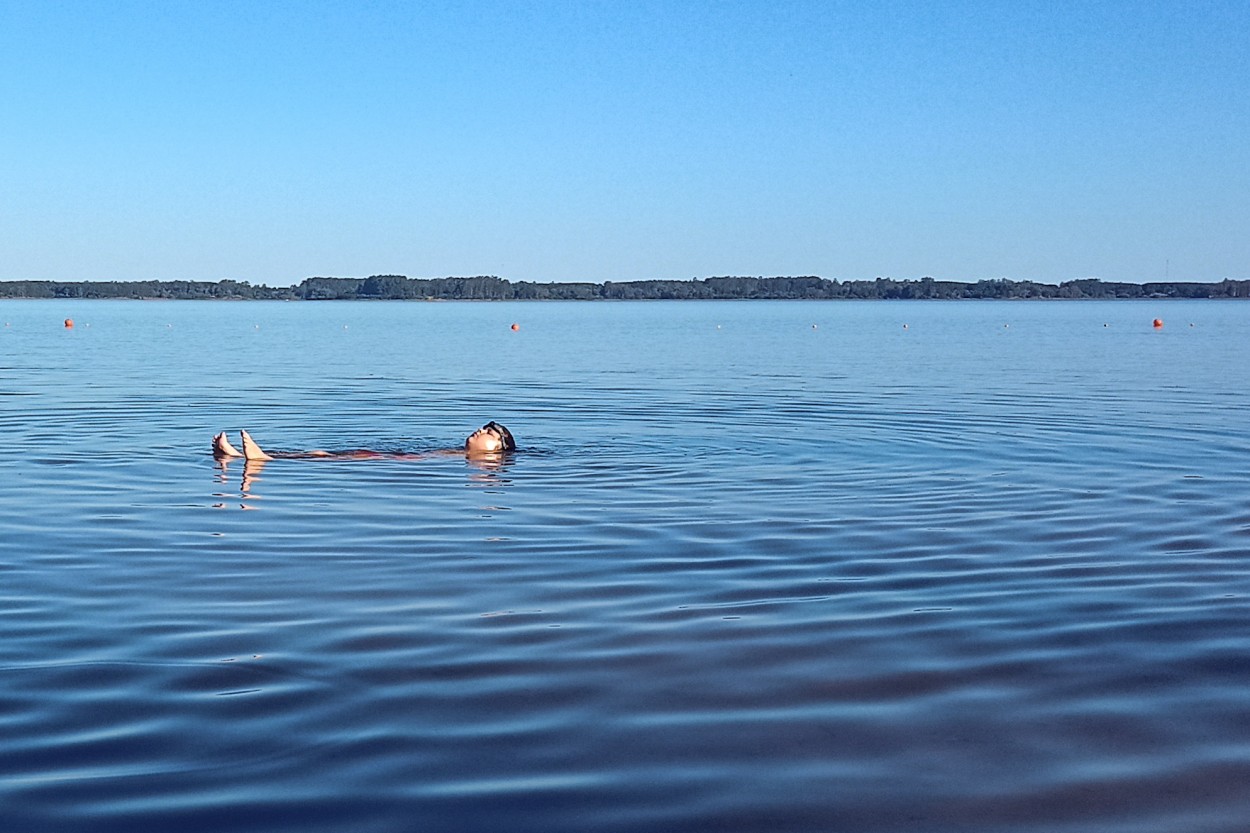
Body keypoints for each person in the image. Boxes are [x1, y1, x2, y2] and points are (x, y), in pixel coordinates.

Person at [212, 421, 516, 461]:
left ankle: (261, 460)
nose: (478, 432)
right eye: (481, 428)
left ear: (497, 452)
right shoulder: (456, 453)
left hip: (387, 462)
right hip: (388, 457)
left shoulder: (461, 461)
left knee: (327, 457)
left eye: (488, 434)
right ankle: (242, 457)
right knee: (321, 453)